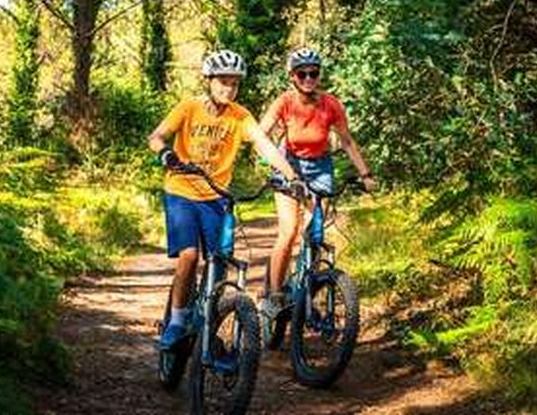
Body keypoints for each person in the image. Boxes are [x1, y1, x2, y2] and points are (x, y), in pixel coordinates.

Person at [147, 50, 300, 349]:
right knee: (189, 255)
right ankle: (177, 321)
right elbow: (157, 136)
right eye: (223, 82)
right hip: (181, 191)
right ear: (209, 81)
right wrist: (165, 153)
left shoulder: (240, 116)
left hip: (216, 198)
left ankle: (206, 327)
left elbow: (264, 145)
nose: (228, 89)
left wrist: (291, 176)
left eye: (234, 84)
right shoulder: (189, 107)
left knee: (219, 263)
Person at [259, 48, 377, 320]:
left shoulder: (331, 104)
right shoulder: (285, 102)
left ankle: (304, 293)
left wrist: (366, 174)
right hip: (290, 165)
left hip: (320, 167)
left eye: (314, 73)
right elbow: (261, 134)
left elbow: (347, 141)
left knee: (315, 235)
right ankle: (274, 295)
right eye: (303, 73)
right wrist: (275, 160)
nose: (309, 78)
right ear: (293, 76)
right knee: (289, 231)